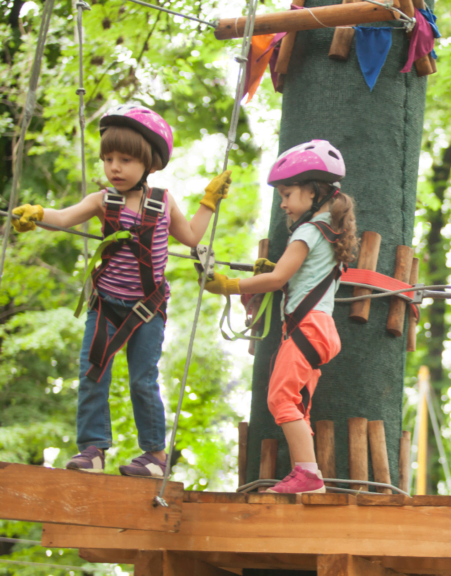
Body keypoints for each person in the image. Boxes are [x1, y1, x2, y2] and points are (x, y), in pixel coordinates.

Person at [10, 104, 232, 477]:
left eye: (125, 159)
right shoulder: (102, 201)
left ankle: (156, 458)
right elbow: (63, 218)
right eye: (109, 158)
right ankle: (93, 450)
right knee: (92, 372)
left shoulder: (163, 202)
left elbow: (192, 238)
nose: (114, 167)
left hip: (147, 310)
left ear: (150, 165)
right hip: (106, 307)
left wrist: (209, 203)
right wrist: (37, 214)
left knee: (143, 379)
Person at [202, 139, 357, 494]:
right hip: (318, 329)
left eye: (287, 194)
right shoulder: (327, 231)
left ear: (314, 191)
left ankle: (308, 475)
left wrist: (227, 284)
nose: (283, 204)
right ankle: (306, 472)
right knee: (296, 403)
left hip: (309, 327)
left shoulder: (306, 231)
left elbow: (277, 279)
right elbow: (294, 275)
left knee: (280, 399)